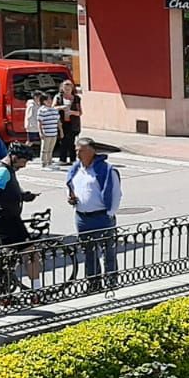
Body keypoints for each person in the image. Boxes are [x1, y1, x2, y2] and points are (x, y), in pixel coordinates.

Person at [65, 137, 121, 290]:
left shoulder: (106, 170)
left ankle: (111, 281)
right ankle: (93, 283)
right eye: (76, 150)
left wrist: (110, 213)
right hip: (82, 217)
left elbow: (116, 193)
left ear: (91, 151)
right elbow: (70, 185)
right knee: (89, 252)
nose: (77, 154)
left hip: (102, 217)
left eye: (81, 151)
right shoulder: (76, 169)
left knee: (107, 251)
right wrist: (71, 198)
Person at [0, 142, 42, 289]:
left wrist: (23, 196)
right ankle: (36, 290)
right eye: (23, 161)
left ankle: (5, 290)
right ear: (14, 157)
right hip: (8, 219)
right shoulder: (2, 171)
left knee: (8, 256)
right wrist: (19, 197)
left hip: (5, 217)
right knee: (31, 252)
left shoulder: (4, 169)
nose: (23, 165)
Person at [53, 79, 82, 165]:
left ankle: (73, 159)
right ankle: (63, 159)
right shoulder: (58, 97)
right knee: (63, 141)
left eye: (69, 89)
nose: (67, 91)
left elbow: (80, 112)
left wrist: (72, 112)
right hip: (62, 123)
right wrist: (62, 107)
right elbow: (53, 108)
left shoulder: (76, 98)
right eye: (65, 89)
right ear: (62, 88)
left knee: (71, 142)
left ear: (72, 89)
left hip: (73, 123)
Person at [35, 93, 61, 169]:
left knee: (51, 149)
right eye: (47, 100)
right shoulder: (42, 110)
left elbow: (58, 121)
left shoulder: (54, 109)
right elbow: (39, 122)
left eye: (50, 99)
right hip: (46, 133)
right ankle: (44, 163)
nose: (49, 101)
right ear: (43, 101)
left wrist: (61, 131)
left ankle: (49, 162)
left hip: (54, 132)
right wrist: (41, 132)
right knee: (45, 149)